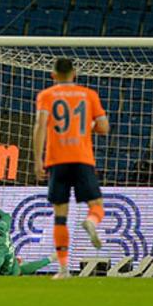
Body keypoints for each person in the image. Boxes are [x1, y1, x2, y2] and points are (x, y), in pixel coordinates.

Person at [33, 58, 110, 279]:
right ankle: (91, 220)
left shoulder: (46, 96)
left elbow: (40, 127)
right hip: (82, 158)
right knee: (97, 205)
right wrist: (88, 125)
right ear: (74, 73)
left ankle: (64, 268)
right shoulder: (89, 95)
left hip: (57, 160)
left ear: (53, 75)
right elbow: (104, 127)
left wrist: (38, 160)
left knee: (60, 215)